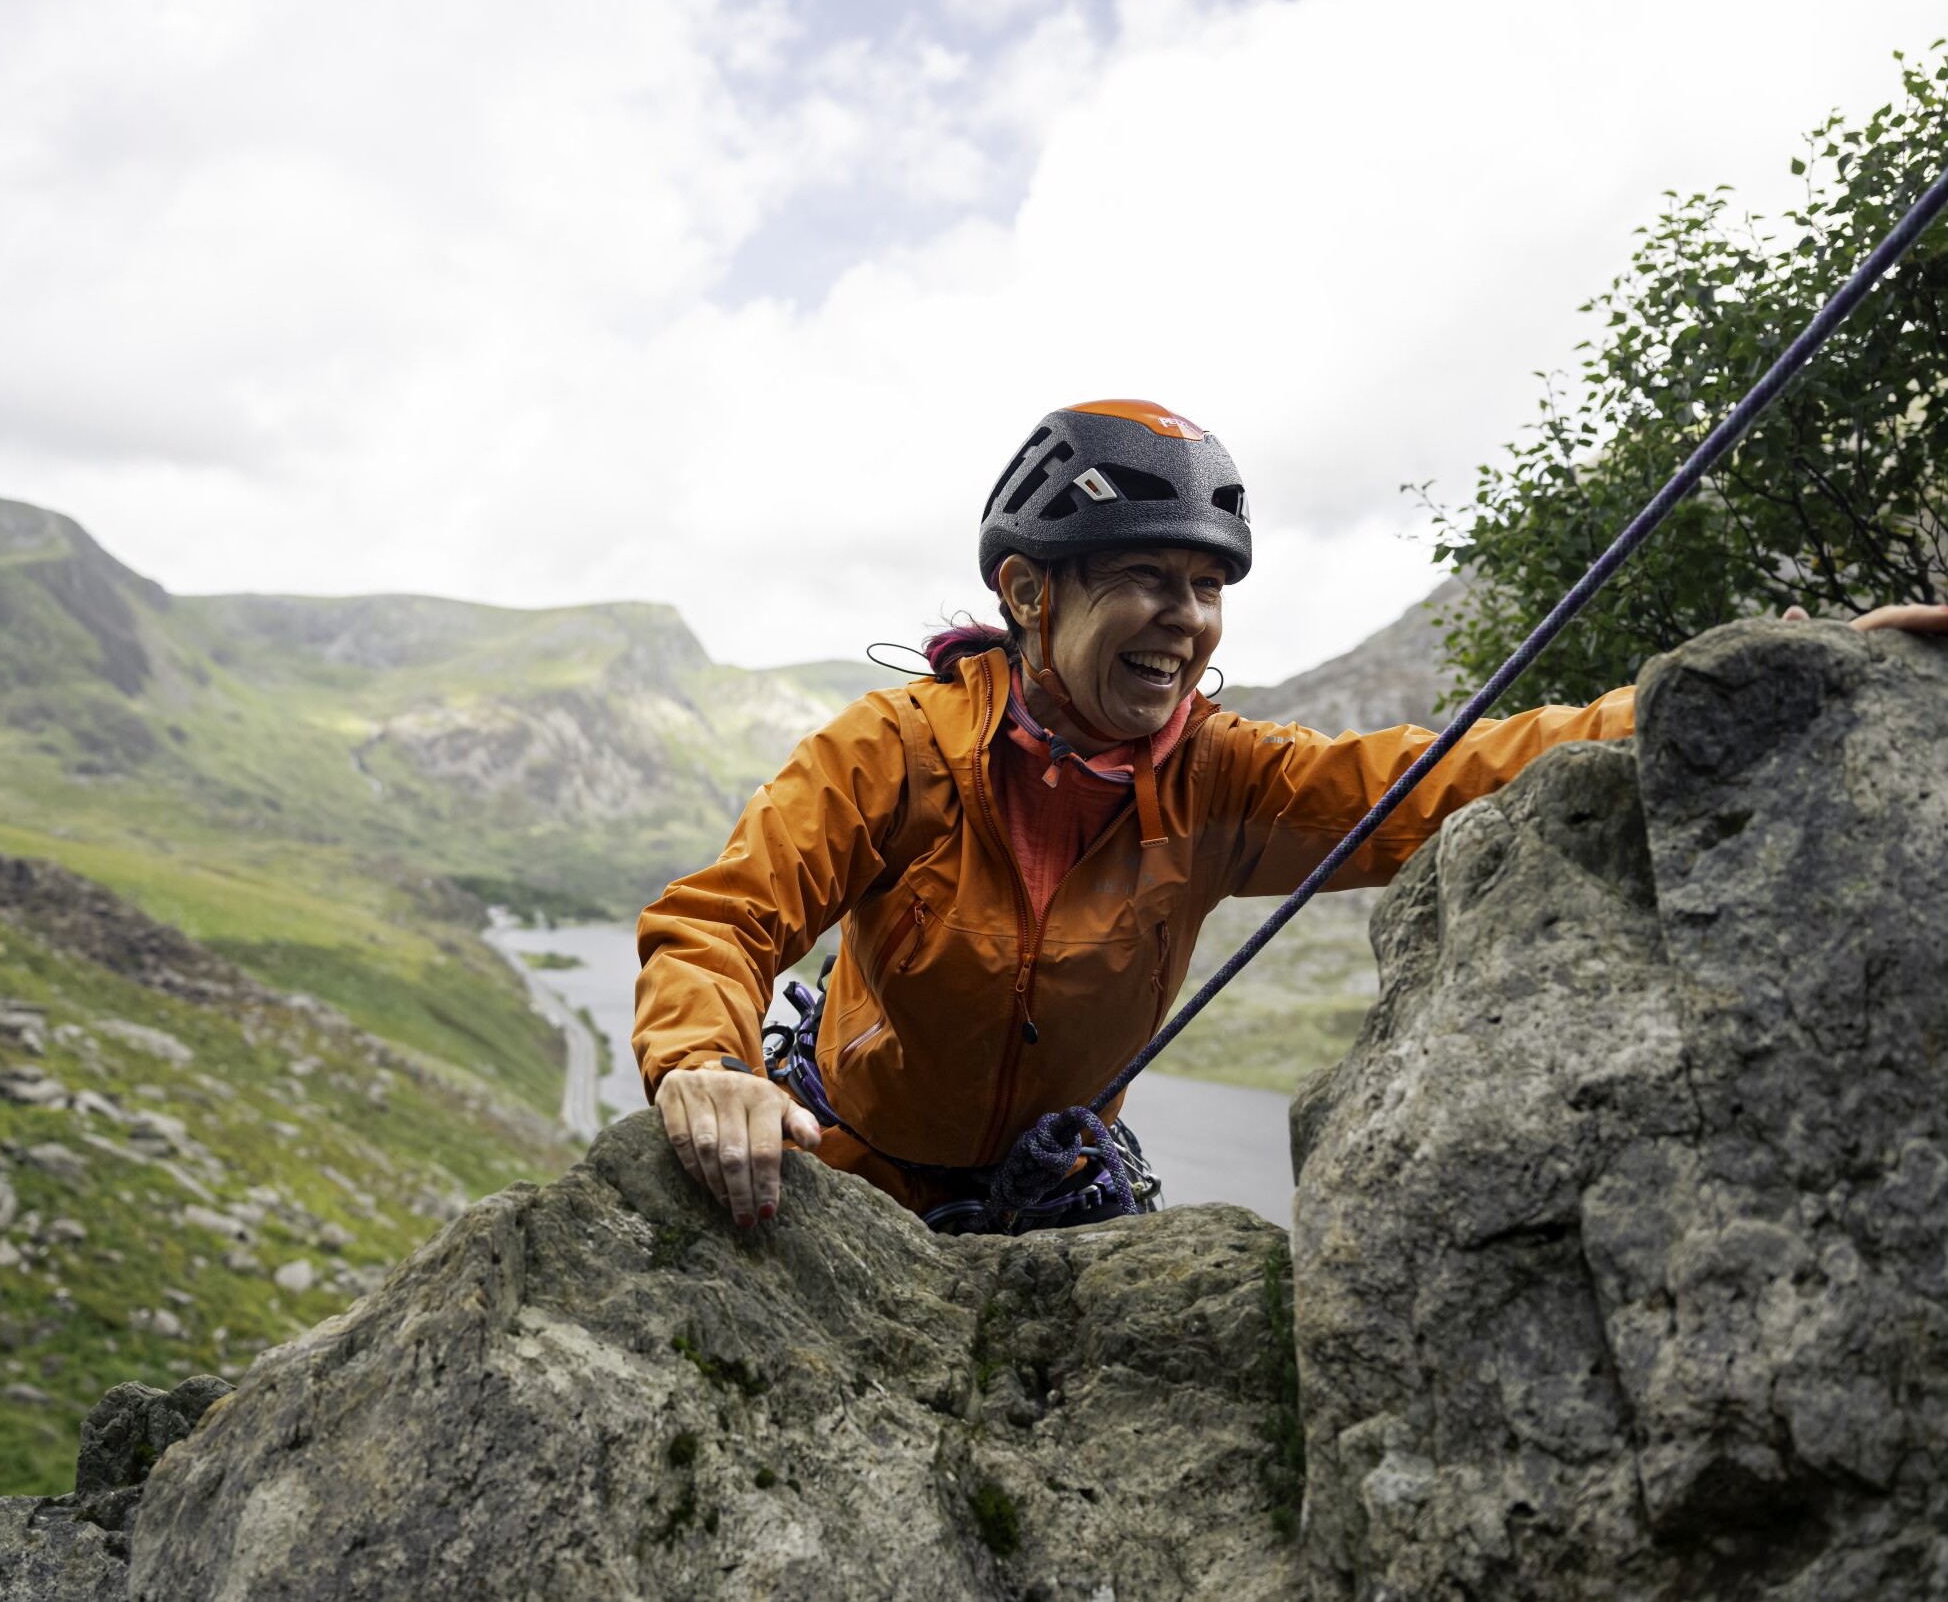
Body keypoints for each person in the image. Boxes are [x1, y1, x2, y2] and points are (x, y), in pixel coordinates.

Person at [632, 398, 1948, 1234]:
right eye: (1146, 577)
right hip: (852, 1184)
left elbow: (1447, 777)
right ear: (1030, 593)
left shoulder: (1222, 782)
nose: (1186, 623)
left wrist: (1740, 694)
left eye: (1207, 588)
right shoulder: (897, 755)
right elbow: (723, 919)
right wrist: (704, 1063)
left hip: (1050, 1197)